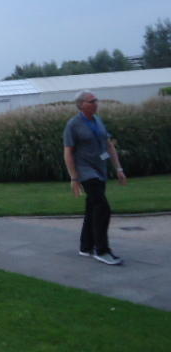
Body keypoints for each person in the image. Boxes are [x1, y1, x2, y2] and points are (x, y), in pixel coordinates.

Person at [63, 90, 127, 266]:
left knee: (92, 208)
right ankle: (102, 250)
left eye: (96, 100)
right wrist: (74, 178)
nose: (96, 103)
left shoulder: (98, 120)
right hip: (85, 171)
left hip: (100, 169)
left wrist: (119, 168)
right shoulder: (73, 125)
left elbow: (108, 145)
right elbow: (68, 152)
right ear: (81, 105)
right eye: (92, 101)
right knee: (102, 207)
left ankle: (85, 247)